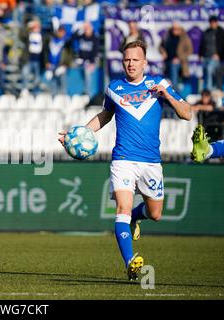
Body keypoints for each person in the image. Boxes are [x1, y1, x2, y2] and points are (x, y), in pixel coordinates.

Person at [59, 40, 192, 280]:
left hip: (151, 161)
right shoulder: (114, 87)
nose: (130, 64)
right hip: (123, 159)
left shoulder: (159, 84)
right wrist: (77, 135)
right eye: (126, 60)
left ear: (144, 62)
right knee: (122, 208)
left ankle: (136, 218)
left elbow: (187, 113)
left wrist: (167, 97)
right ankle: (131, 262)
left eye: (135, 60)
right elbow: (105, 116)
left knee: (155, 214)